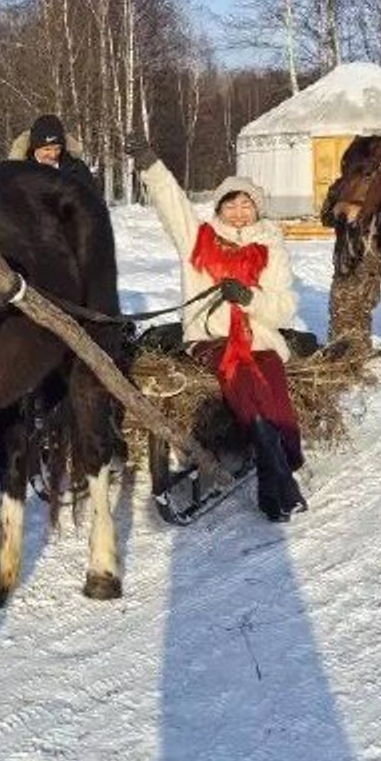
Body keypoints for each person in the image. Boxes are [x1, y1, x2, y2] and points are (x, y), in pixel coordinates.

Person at [126, 129, 308, 524]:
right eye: (232, 204)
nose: (240, 212)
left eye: (247, 205)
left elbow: (283, 308)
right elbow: (172, 203)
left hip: (260, 336)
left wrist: (249, 299)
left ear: (256, 210)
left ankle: (273, 469)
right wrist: (149, 163)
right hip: (211, 339)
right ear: (220, 208)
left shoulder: (272, 249)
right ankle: (279, 481)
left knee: (273, 386)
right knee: (241, 375)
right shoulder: (199, 240)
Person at [18, 113, 102, 195]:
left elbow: (96, 203)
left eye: (57, 149)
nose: (53, 155)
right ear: (35, 148)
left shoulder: (77, 169)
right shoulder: (20, 174)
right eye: (47, 149)